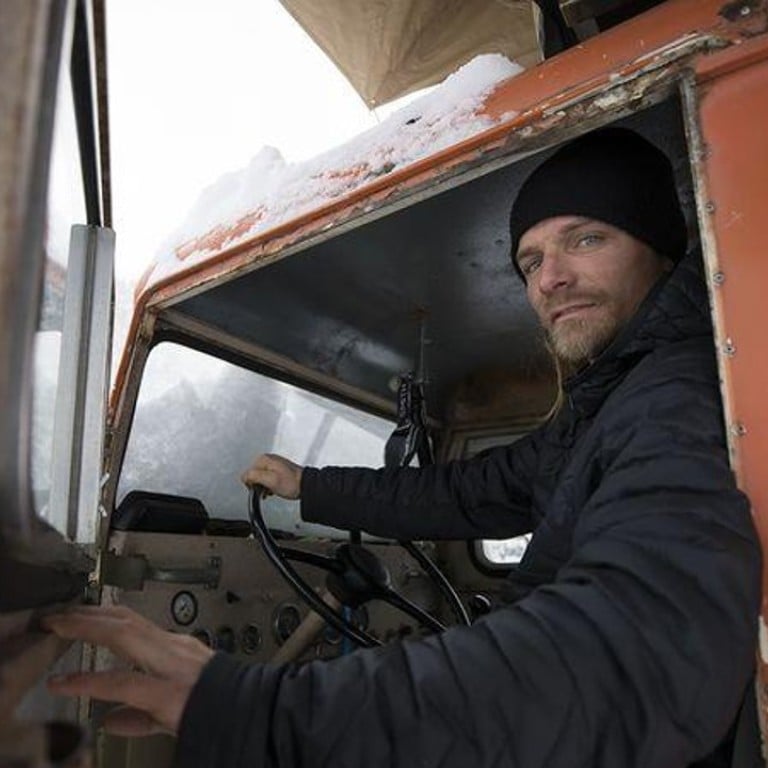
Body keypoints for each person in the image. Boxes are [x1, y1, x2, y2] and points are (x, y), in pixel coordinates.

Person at [42, 127, 761, 767]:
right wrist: (313, 487)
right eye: (530, 258)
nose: (550, 277)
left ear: (660, 248)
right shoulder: (614, 399)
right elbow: (471, 491)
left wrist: (262, 710)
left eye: (585, 238)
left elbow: (633, 653)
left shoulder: (679, 397)